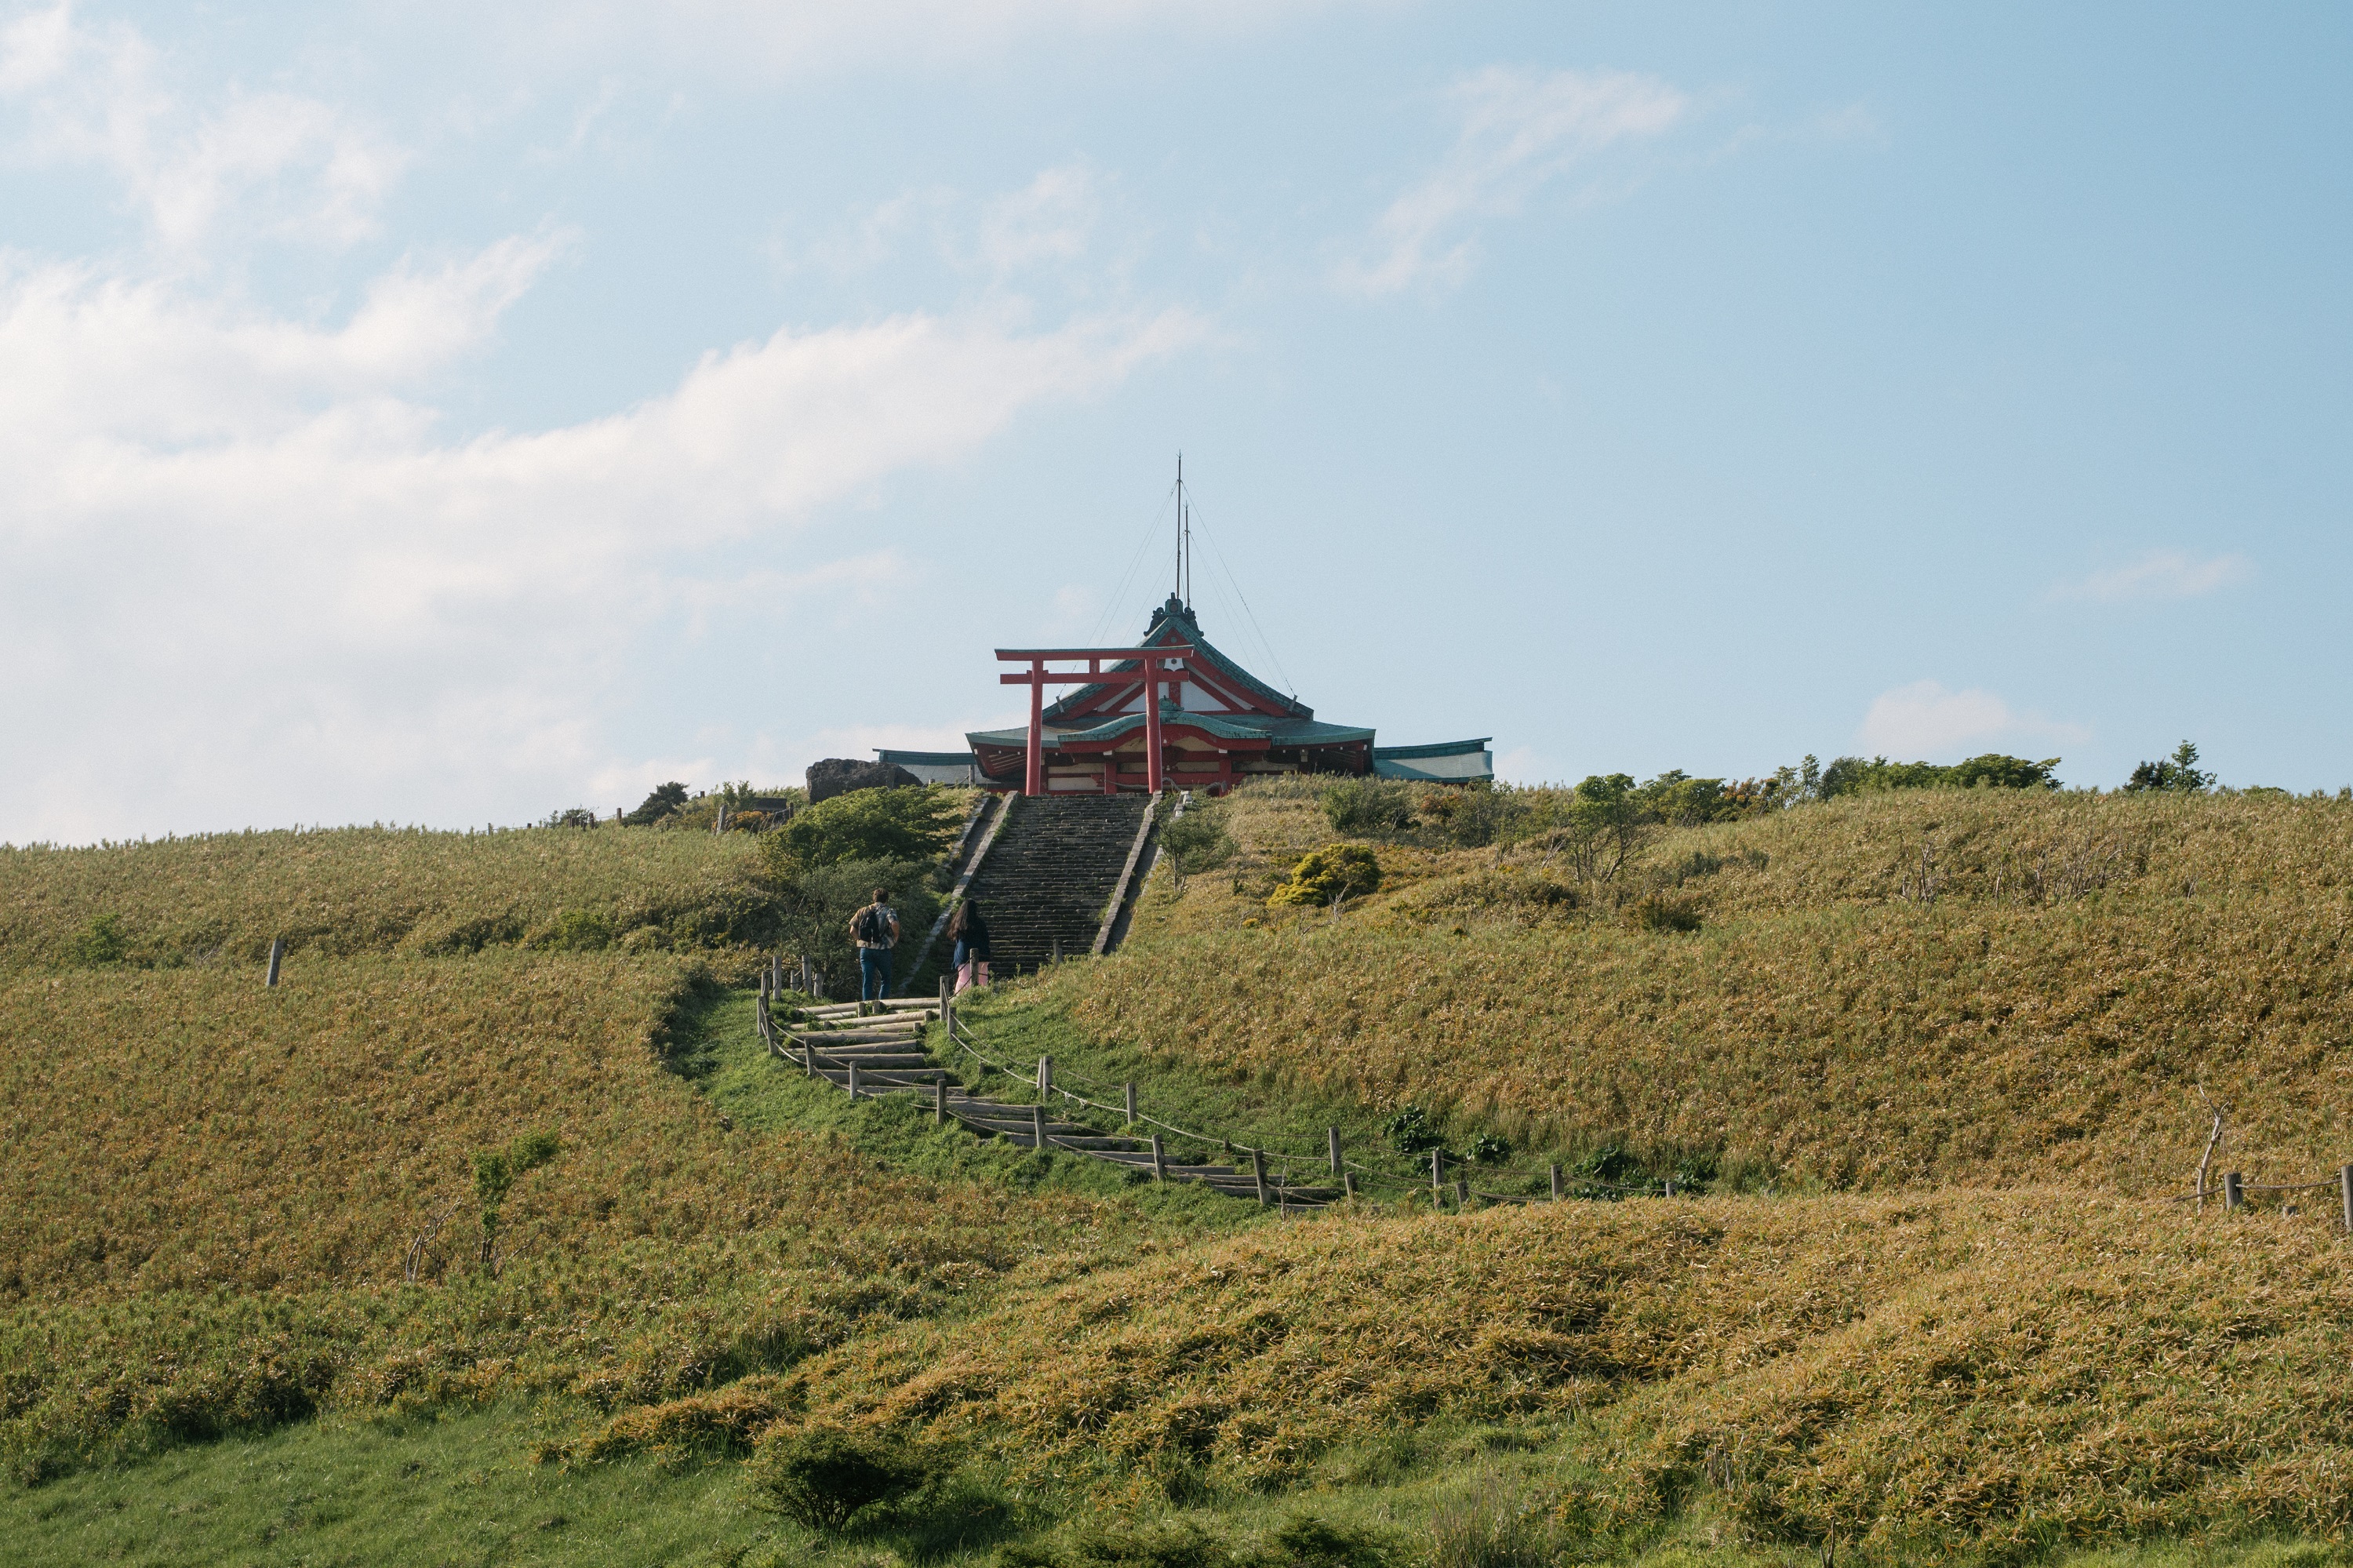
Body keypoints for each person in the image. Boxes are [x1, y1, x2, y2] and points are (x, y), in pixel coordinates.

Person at [849, 887, 899, 1012]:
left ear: (874, 898)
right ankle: (882, 1007)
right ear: (886, 899)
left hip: (865, 950)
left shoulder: (862, 911)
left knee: (867, 979)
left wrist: (859, 940)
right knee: (885, 979)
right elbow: (895, 924)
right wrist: (896, 936)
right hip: (883, 949)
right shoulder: (888, 910)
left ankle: (865, 1007)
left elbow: (852, 930)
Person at [947, 899, 991, 994]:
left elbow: (957, 940)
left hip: (964, 957)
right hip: (982, 955)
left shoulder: (959, 924)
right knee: (982, 980)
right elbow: (986, 940)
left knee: (964, 980)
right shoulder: (980, 923)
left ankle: (962, 1000)